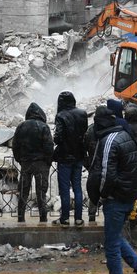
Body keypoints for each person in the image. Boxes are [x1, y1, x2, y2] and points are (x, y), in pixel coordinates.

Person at [86, 106, 137, 274]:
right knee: (116, 237)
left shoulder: (110, 140)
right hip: (128, 196)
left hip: (115, 199)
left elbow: (105, 174)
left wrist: (101, 195)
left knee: (112, 246)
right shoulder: (126, 135)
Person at [52, 91, 88, 228]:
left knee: (65, 188)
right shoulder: (82, 114)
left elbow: (58, 137)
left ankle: (65, 219)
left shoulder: (60, 116)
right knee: (77, 187)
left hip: (65, 157)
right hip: (79, 156)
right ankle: (78, 219)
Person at [12, 102, 53, 223]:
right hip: (41, 164)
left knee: (24, 191)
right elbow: (49, 146)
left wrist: (20, 159)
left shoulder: (21, 126)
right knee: (41, 192)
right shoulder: (44, 127)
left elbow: (15, 145)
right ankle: (43, 217)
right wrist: (48, 161)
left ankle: (20, 217)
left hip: (26, 163)